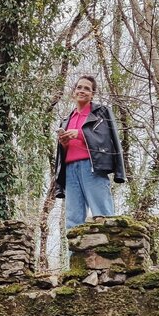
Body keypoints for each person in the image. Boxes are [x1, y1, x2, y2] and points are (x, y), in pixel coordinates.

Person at [54, 74, 125, 231]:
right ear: (74, 92)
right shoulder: (67, 119)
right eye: (79, 87)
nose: (82, 91)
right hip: (70, 170)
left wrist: (78, 134)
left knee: (102, 214)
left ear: (92, 94)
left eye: (87, 88)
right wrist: (65, 143)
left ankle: (109, 253)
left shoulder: (101, 113)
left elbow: (106, 138)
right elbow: (63, 151)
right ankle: (74, 255)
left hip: (93, 167)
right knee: (73, 219)